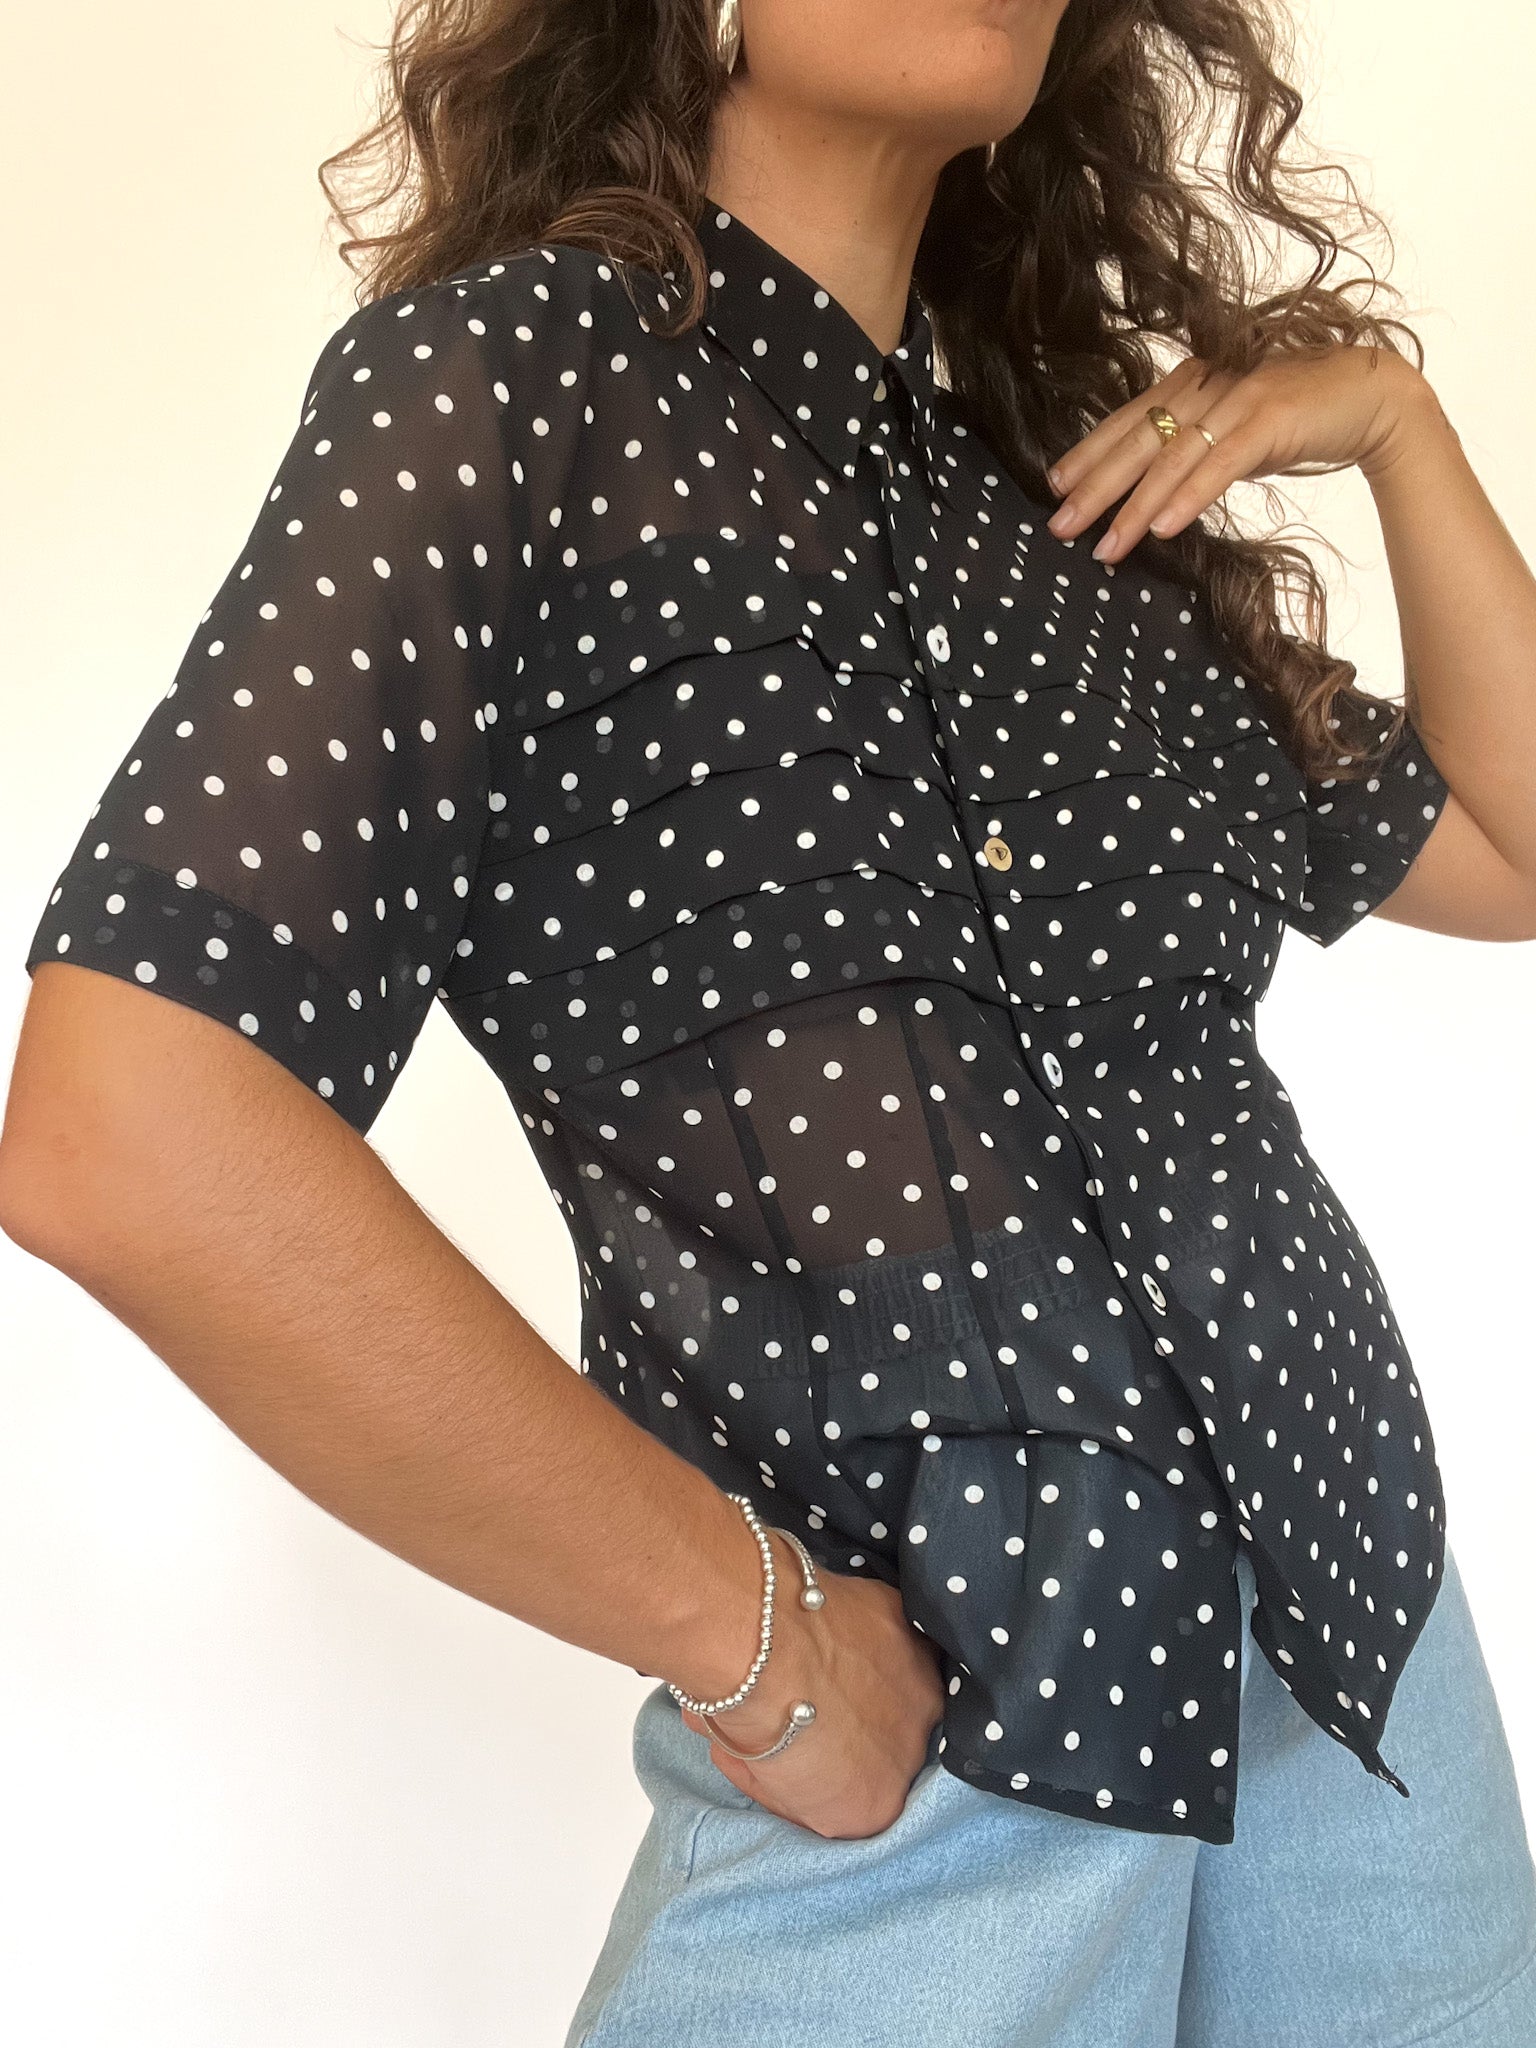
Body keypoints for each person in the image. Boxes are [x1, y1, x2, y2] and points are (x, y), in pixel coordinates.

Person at [4, 0, 1536, 2041]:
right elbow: (130, 1127)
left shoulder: (1072, 517)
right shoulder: (513, 386)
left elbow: (1513, 853)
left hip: (1356, 1637)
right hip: (963, 1717)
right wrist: (746, 1628)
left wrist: (1400, 426)